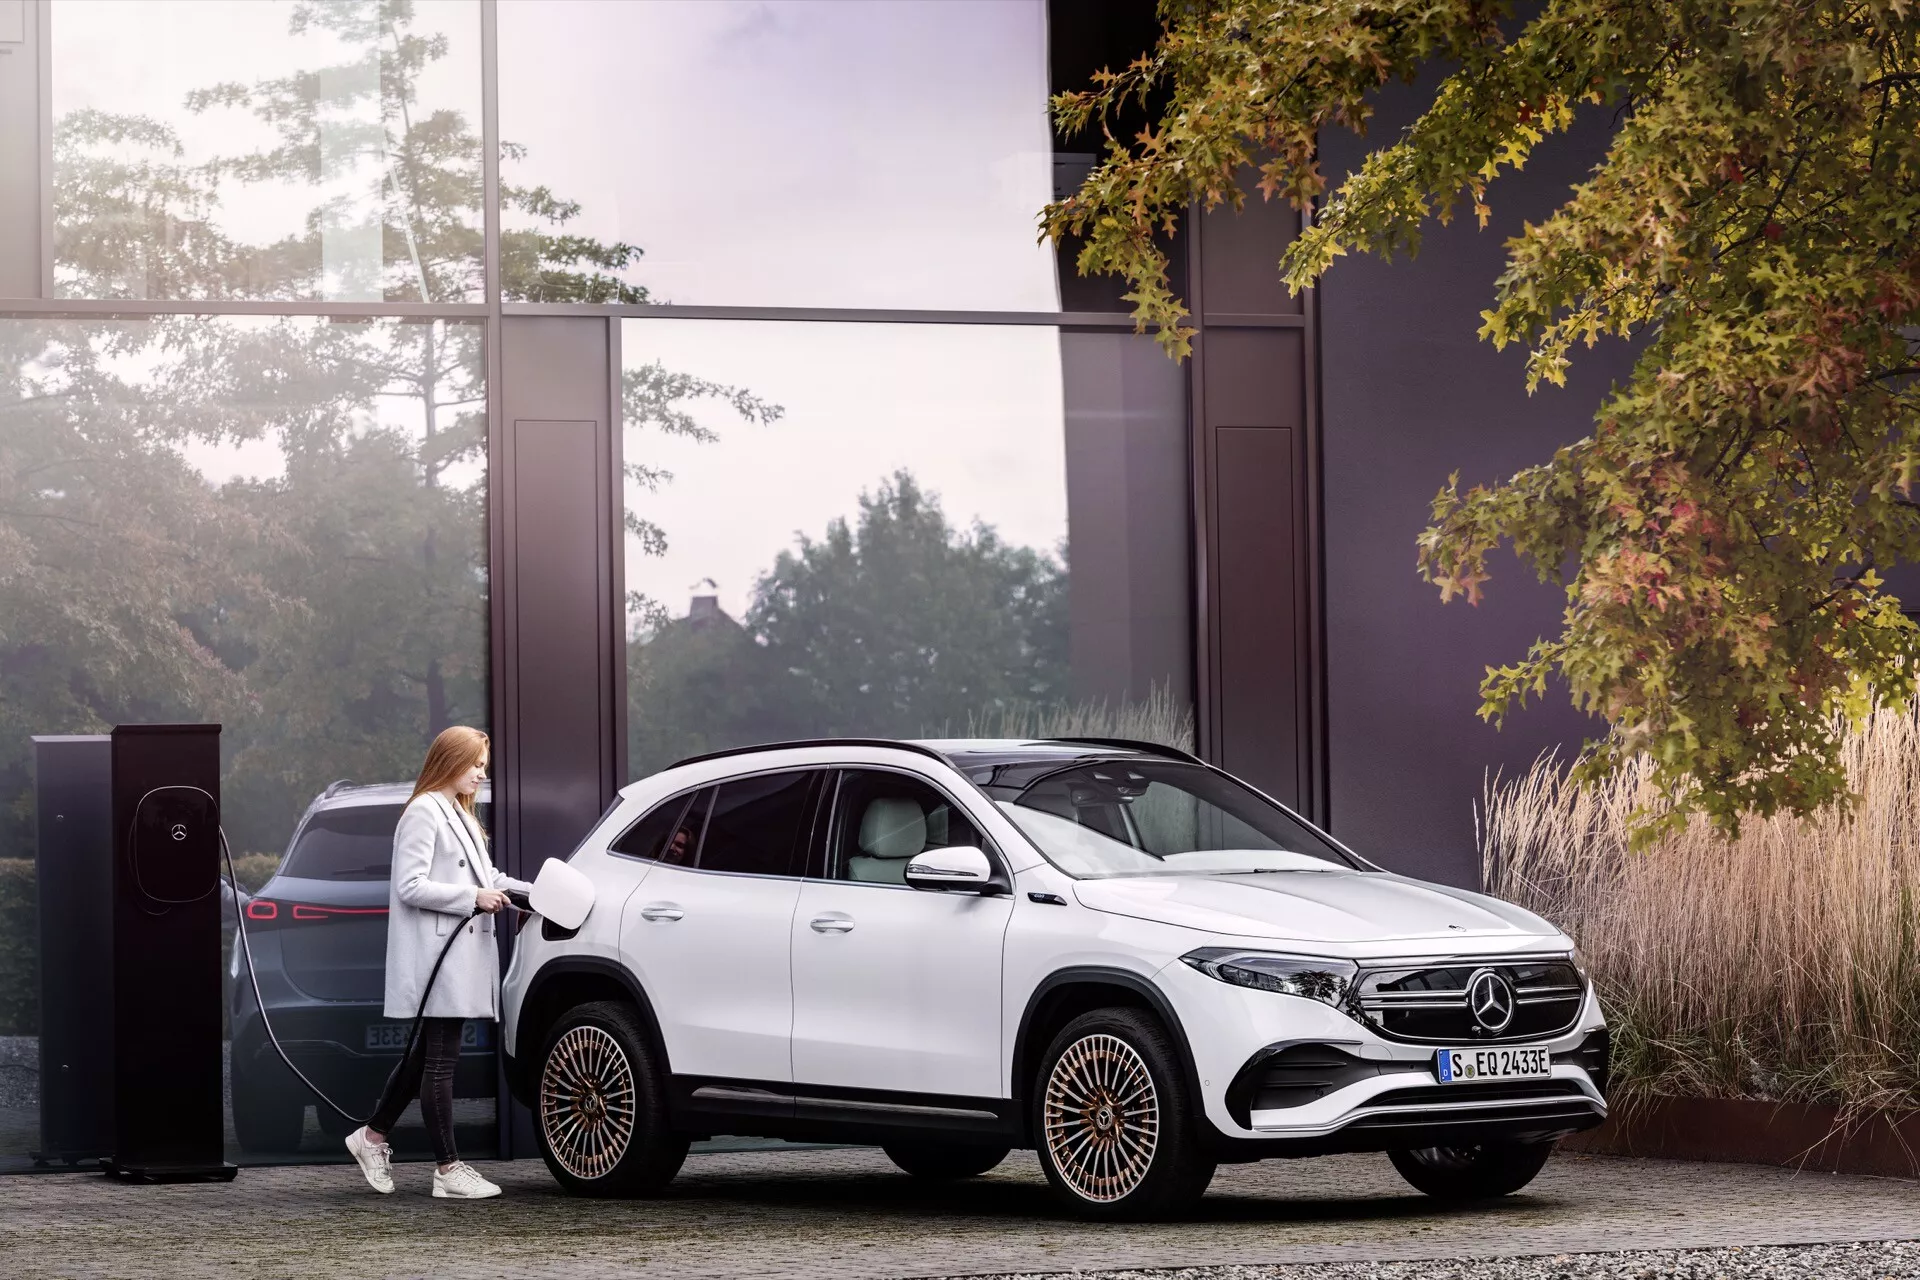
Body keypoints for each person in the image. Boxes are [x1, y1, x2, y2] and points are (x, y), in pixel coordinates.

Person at [343, 726, 532, 1199]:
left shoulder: (460, 814)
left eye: (484, 766)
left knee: (426, 1058)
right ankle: (448, 1170)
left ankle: (371, 1137)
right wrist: (473, 897)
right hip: (438, 958)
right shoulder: (424, 811)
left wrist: (535, 896)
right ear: (450, 761)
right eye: (475, 765)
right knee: (441, 1060)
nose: (481, 774)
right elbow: (410, 885)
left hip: (454, 956)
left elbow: (489, 877)